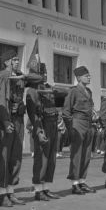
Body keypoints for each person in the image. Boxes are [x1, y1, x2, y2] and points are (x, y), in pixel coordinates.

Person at [0, 51, 42, 206]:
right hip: (7, 119)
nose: (17, 62)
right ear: (6, 62)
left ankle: (11, 191)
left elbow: (39, 78)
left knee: (16, 157)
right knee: (5, 157)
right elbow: (0, 101)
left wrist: (23, 77)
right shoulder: (2, 76)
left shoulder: (20, 75)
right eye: (14, 60)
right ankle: (2, 194)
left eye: (17, 60)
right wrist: (6, 121)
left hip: (19, 119)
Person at [25, 62, 68, 200]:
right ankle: (38, 190)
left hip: (53, 124)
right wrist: (38, 131)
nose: (43, 75)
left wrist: (54, 91)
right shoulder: (32, 90)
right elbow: (33, 114)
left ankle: (46, 188)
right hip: (42, 124)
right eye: (40, 73)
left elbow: (64, 94)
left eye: (44, 73)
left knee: (51, 159)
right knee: (41, 158)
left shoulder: (49, 88)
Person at [62, 66, 97, 194]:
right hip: (77, 123)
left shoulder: (89, 91)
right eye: (86, 75)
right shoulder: (73, 91)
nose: (89, 77)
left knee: (86, 154)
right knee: (76, 155)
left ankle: (82, 181)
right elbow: (66, 111)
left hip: (88, 124)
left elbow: (90, 107)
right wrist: (70, 127)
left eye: (89, 75)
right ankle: (75, 183)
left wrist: (93, 114)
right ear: (78, 78)